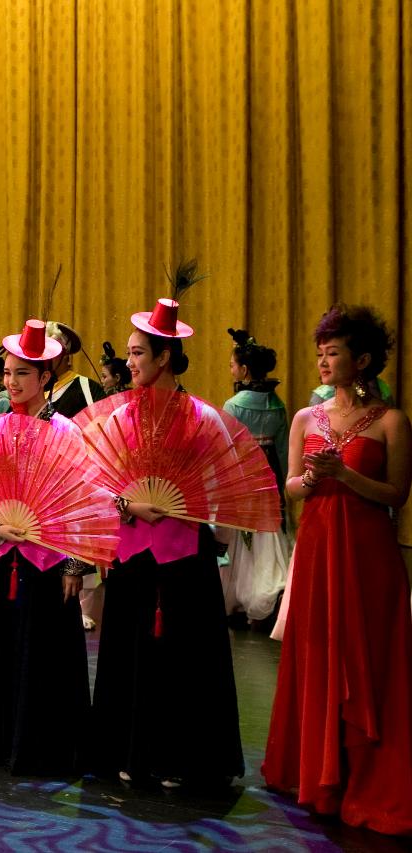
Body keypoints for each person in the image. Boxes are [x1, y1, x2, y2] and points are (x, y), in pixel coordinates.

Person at [263, 305, 412, 836]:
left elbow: (396, 494)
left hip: (371, 556)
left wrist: (344, 476)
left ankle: (369, 777)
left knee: (369, 659)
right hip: (320, 549)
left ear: (363, 359)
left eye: (334, 352)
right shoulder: (307, 418)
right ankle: (316, 774)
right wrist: (314, 477)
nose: (323, 361)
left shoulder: (393, 421)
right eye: (320, 352)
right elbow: (291, 488)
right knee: (318, 653)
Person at [88, 291, 244, 789]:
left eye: (138, 353)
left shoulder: (204, 418)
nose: (129, 362)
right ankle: (127, 751)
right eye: (130, 353)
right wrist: (127, 506)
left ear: (165, 358)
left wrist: (199, 520)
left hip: (185, 558)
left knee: (184, 659)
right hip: (133, 555)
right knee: (129, 655)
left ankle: (182, 758)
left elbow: (224, 486)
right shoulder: (118, 418)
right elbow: (97, 483)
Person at [0, 319, 91, 774]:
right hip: (1, 556)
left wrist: (76, 563)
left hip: (48, 560)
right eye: (9, 373)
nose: (12, 382)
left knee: (41, 655)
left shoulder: (65, 432)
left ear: (45, 379)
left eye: (23, 374)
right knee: (0, 648)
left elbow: (83, 497)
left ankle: (43, 745)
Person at [219, 329, 290, 628]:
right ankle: (266, 590)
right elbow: (285, 451)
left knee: (239, 535)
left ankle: (236, 596)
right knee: (265, 535)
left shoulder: (233, 405)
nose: (231, 369)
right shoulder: (277, 405)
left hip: (242, 472)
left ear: (245, 370)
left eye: (234, 365)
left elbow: (224, 448)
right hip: (269, 471)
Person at [42, 321, 106, 420]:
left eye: (52, 351)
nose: (46, 356)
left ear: (65, 354)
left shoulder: (88, 388)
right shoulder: (36, 388)